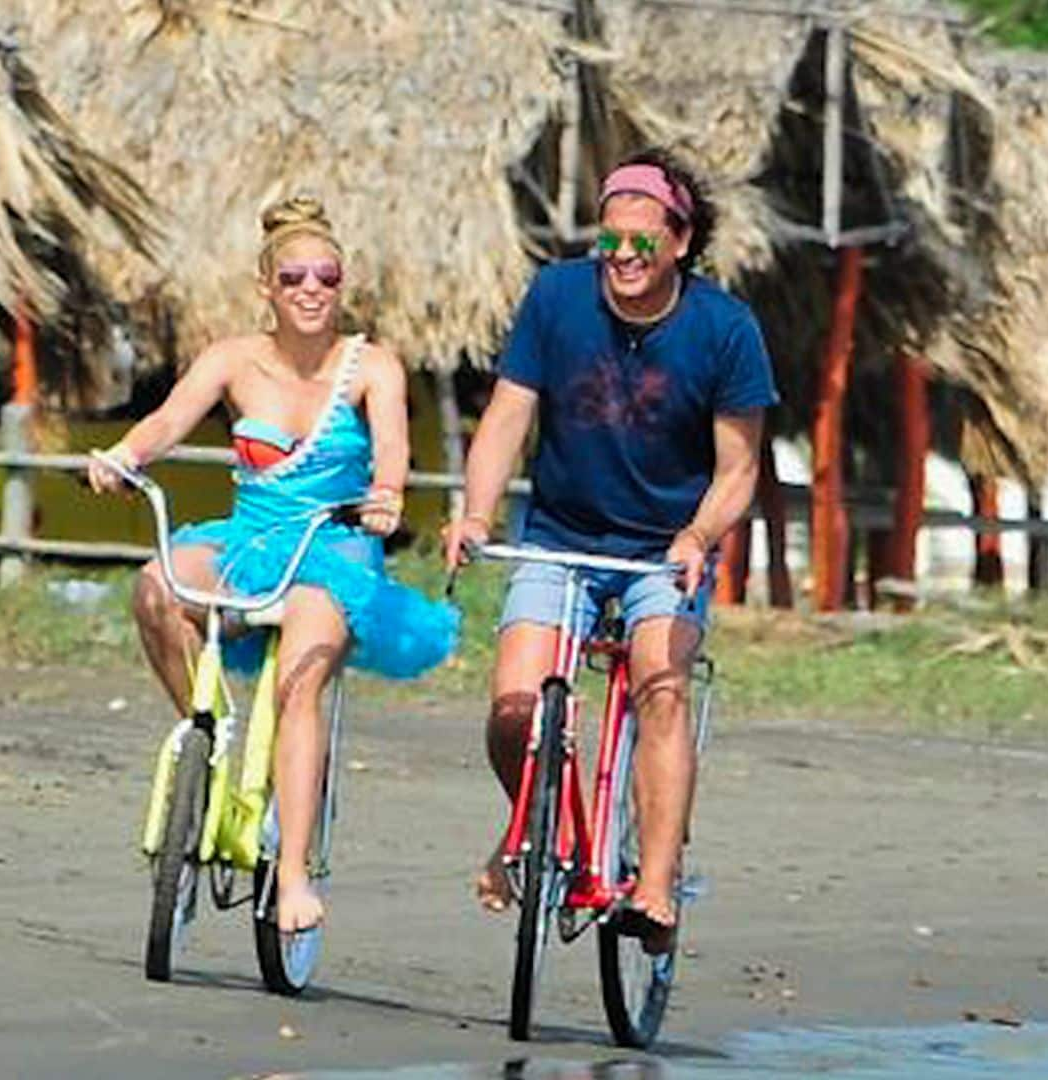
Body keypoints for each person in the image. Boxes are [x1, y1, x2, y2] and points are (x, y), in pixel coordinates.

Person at [87, 195, 459, 933]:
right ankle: (211, 735)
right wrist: (123, 455)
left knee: (298, 687)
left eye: (327, 276)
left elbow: (393, 449)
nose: (312, 289)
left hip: (333, 548)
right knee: (158, 586)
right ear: (267, 285)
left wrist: (386, 495)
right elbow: (167, 419)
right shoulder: (231, 358)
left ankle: (291, 875)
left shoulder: (371, 366)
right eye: (294, 277)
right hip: (250, 540)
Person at [442, 149, 777, 942]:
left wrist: (698, 536)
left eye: (642, 245)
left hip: (667, 547)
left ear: (682, 242)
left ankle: (656, 887)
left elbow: (739, 469)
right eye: (609, 243)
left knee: (661, 684)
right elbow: (507, 416)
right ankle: (547, 828)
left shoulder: (726, 329)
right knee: (514, 711)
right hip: (560, 534)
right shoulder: (556, 298)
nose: (623, 259)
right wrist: (477, 514)